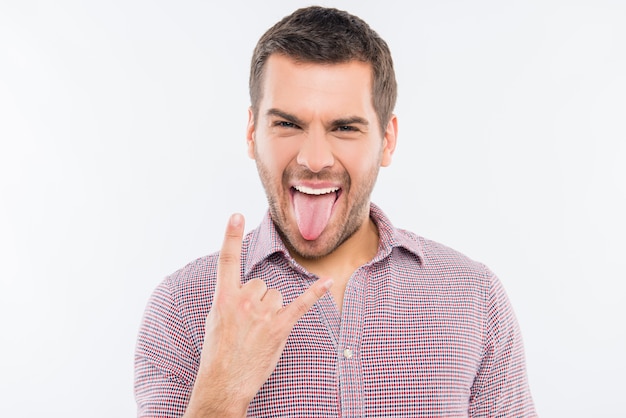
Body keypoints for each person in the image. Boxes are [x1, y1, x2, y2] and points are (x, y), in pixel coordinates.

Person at [134, 6, 536, 417]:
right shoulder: (184, 307)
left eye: (344, 127)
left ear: (387, 140)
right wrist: (222, 391)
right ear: (253, 134)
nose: (313, 158)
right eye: (288, 124)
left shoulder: (472, 296)